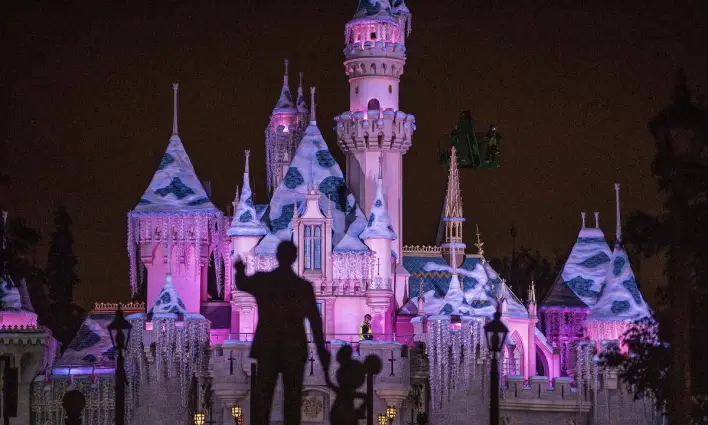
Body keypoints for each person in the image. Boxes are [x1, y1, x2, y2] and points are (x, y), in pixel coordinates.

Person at [234, 241, 330, 425]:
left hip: (268, 348)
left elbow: (242, 283)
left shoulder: (265, 281)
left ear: (277, 256)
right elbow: (316, 324)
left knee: (263, 399)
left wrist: (239, 268)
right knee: (292, 402)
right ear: (295, 258)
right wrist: (322, 352)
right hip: (294, 350)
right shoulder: (303, 287)